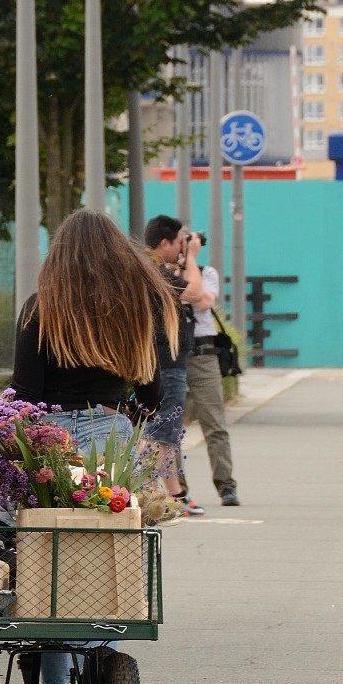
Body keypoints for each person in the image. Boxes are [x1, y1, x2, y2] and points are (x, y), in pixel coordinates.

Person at [11, 209, 178, 684]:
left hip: (51, 440)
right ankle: (93, 661)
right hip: (111, 437)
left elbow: (26, 394)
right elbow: (153, 392)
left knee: (55, 551)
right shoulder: (131, 310)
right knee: (103, 554)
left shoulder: (41, 310)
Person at [143, 215, 203, 514]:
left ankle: (171, 494)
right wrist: (191, 257)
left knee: (162, 431)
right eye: (179, 241)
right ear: (164, 242)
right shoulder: (151, 268)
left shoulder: (152, 268)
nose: (183, 246)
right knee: (161, 432)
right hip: (166, 362)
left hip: (159, 360)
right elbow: (196, 293)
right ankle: (153, 495)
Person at [184, 229, 239, 507]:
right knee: (170, 429)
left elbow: (203, 300)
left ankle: (226, 485)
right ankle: (177, 490)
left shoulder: (207, 272)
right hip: (173, 356)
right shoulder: (164, 272)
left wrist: (190, 259)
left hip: (204, 354)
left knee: (215, 424)